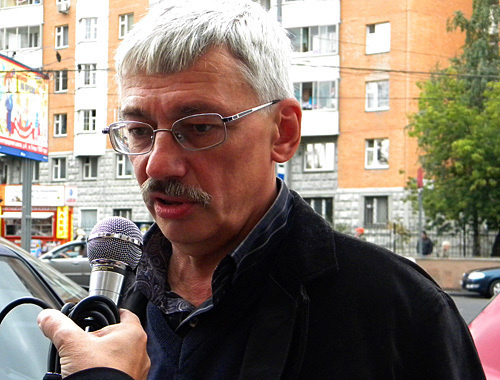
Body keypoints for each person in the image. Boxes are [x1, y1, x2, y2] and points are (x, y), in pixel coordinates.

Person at [37, 1, 486, 379]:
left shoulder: (397, 314)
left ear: (283, 133)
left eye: (198, 127)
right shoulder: (107, 315)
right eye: (138, 130)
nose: (157, 163)